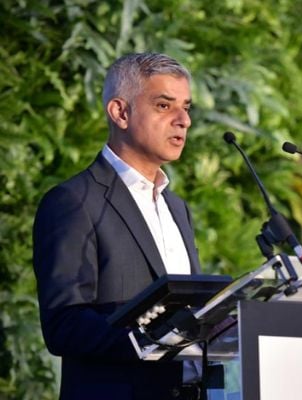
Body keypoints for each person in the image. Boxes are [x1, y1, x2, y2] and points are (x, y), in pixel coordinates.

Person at [33, 52, 203, 399]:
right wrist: (151, 336)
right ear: (120, 112)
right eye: (164, 105)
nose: (183, 120)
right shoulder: (73, 201)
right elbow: (64, 325)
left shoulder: (177, 207)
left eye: (186, 107)